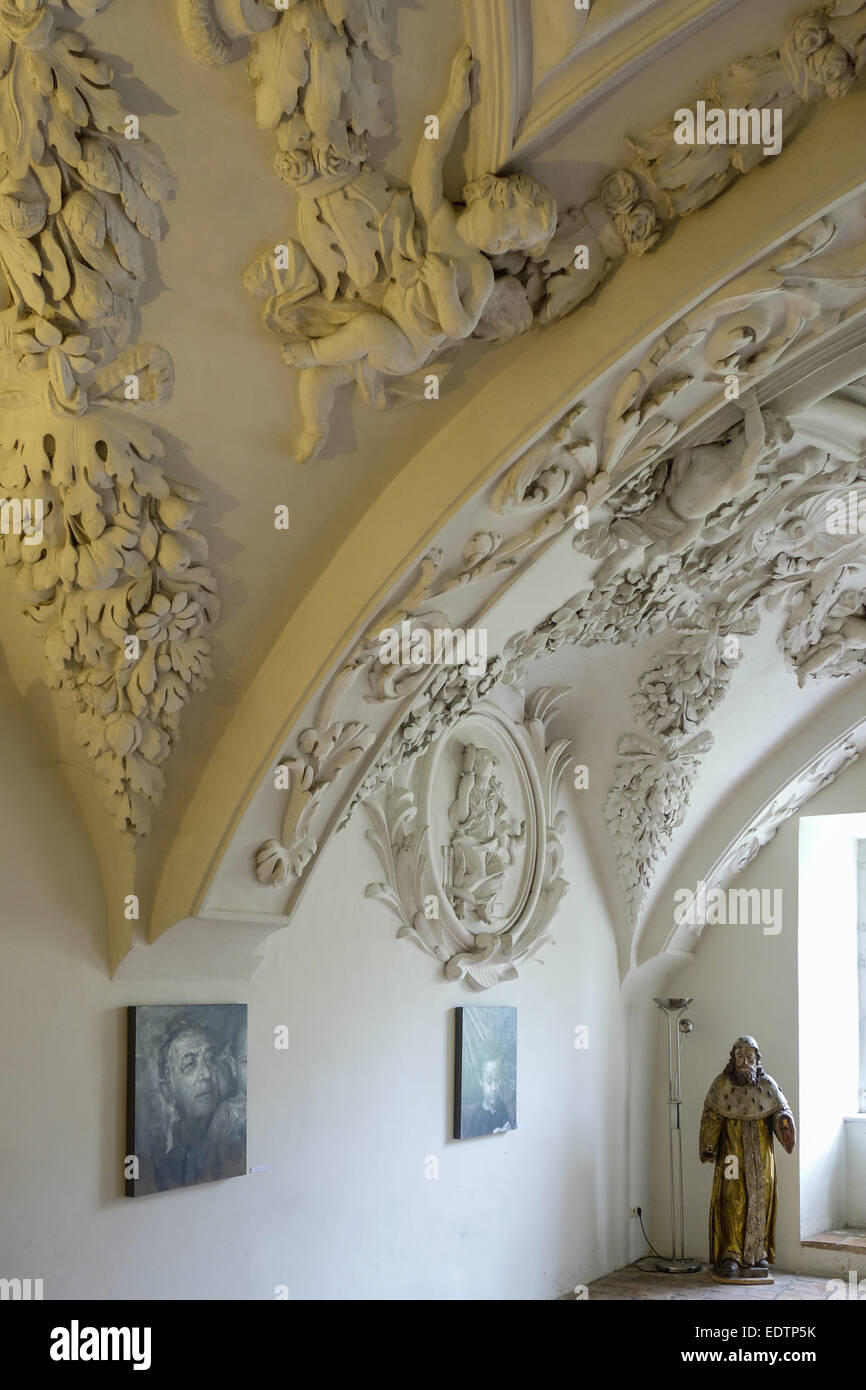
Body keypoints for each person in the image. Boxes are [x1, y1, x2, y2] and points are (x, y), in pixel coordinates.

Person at [280, 45, 557, 460]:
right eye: (513, 230)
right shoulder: (439, 220)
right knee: (317, 381)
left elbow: (461, 328)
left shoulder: (478, 272)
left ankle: (314, 351)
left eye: (515, 245)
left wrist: (446, 292)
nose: (506, 245)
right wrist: (453, 106)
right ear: (492, 194)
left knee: (365, 334)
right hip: (378, 321)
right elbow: (428, 161)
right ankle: (314, 430)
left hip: (405, 347)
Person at [699, 1036, 796, 1280]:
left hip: (761, 1157)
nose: (745, 1062)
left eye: (749, 1057)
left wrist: (783, 1120)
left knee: (760, 1198)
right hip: (732, 1156)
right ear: (733, 1058)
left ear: (757, 1060)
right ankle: (730, 1254)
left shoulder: (767, 1085)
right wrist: (709, 1144)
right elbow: (712, 1114)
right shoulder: (722, 1086)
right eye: (740, 1056)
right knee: (733, 1198)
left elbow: (780, 1111)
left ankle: (757, 1252)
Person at [150, 1016, 224, 1192]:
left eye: (210, 1059)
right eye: (190, 1064)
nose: (206, 1073)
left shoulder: (235, 1142)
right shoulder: (159, 1164)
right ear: (167, 1090)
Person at [461, 1056, 515, 1137]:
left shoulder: (502, 1108)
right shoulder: (476, 1119)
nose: (494, 1087)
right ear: (480, 1081)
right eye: (489, 1081)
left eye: (497, 1080)